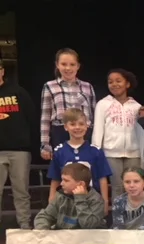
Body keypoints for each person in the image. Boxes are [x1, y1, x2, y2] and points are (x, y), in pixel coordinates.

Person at [47, 108, 111, 218]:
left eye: (81, 124)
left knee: (90, 224)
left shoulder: (95, 151)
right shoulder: (59, 151)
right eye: (72, 124)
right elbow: (55, 179)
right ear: (66, 127)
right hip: (66, 200)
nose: (77, 127)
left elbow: (102, 178)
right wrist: (51, 200)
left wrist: (105, 201)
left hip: (91, 200)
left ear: (87, 126)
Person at [92, 69, 142, 198]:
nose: (114, 84)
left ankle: (133, 211)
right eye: (110, 82)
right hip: (111, 153)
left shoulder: (136, 106)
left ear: (127, 84)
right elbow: (98, 130)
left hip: (133, 154)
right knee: (118, 187)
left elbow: (141, 134)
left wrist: (142, 155)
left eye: (118, 81)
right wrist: (96, 152)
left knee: (133, 187)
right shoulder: (103, 104)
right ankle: (118, 212)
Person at [0, 58, 38, 229]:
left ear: (2, 71)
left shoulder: (18, 92)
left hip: (20, 151)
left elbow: (32, 118)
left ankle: (24, 226)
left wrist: (28, 142)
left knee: (21, 191)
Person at [40, 48, 96, 161]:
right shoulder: (49, 86)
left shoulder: (87, 87)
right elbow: (45, 118)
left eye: (72, 64)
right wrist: (45, 145)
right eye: (64, 64)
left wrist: (95, 142)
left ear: (78, 66)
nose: (68, 68)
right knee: (63, 168)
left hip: (84, 133)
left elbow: (94, 116)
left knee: (84, 167)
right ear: (57, 65)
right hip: (60, 132)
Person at [34, 163, 105, 230]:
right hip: (63, 236)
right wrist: (43, 230)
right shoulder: (60, 195)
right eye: (62, 180)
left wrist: (80, 199)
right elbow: (45, 216)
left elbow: (89, 226)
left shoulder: (96, 200)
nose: (61, 183)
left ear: (81, 184)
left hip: (87, 237)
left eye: (66, 180)